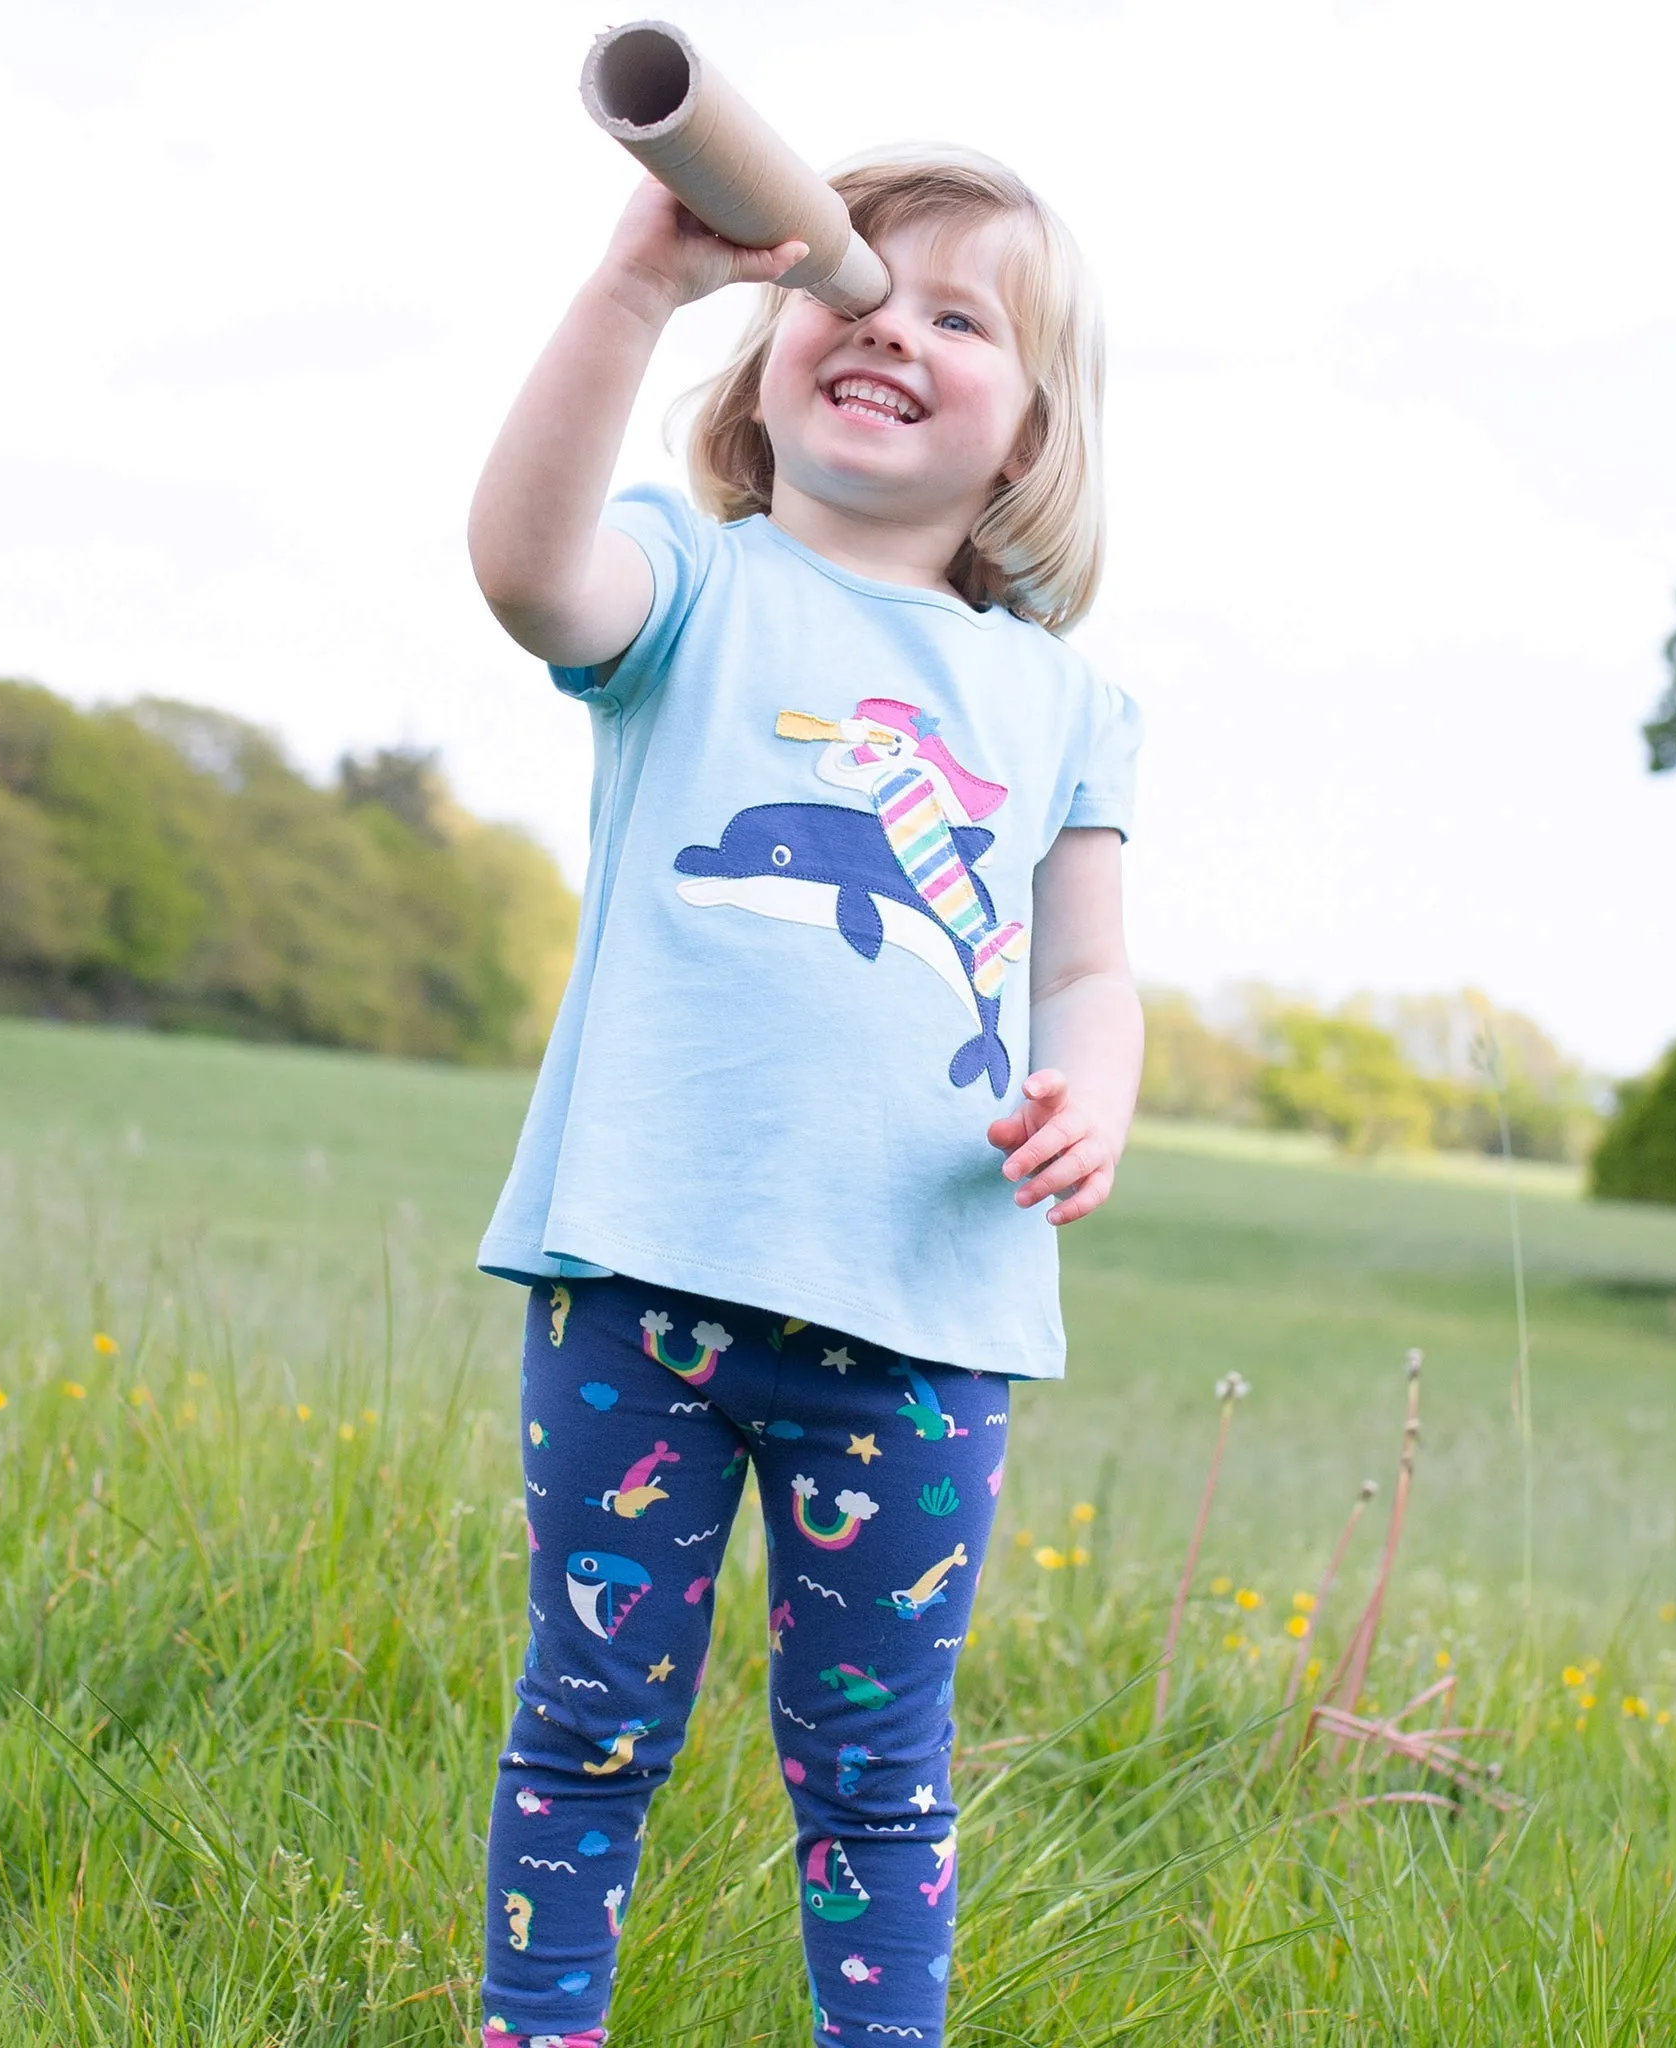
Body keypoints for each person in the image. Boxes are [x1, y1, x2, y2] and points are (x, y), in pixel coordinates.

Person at [465, 146, 1143, 2048]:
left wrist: (1093, 1090)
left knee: (877, 1777)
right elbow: (528, 574)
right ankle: (533, 2023)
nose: (887, 329)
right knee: (586, 1727)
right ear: (763, 358)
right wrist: (629, 285)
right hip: (643, 1285)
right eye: (849, 287)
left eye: (958, 316)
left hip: (922, 1316)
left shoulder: (1066, 706)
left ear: (1029, 437)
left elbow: (1087, 969)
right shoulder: (689, 586)